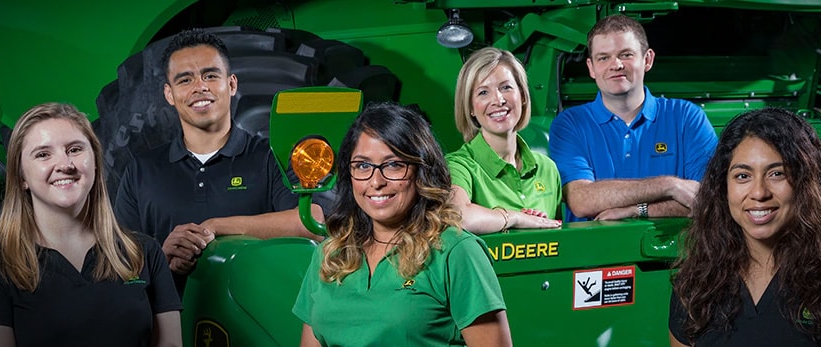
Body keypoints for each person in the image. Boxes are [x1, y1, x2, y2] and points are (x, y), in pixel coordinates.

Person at [668, 108, 821, 346]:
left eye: (777, 173)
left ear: (806, 182)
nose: (758, 192)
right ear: (723, 188)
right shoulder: (696, 286)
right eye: (742, 176)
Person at [0, 103, 181, 346]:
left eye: (74, 149)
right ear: (21, 177)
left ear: (95, 162)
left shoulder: (144, 253)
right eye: (43, 154)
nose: (65, 164)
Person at [112, 28, 322, 287]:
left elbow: (311, 222)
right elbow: (119, 263)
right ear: (169, 94)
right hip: (171, 321)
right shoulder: (141, 171)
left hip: (256, 319)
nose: (199, 87)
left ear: (231, 84)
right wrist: (162, 260)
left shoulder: (271, 157)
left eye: (210, 75)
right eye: (185, 80)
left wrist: (216, 227)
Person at [293, 102, 512, 347]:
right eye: (363, 165)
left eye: (394, 165)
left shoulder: (456, 252)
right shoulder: (330, 254)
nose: (376, 181)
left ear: (422, 170)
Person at [548, 15, 718, 221]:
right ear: (591, 68)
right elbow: (582, 200)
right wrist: (670, 186)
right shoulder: (570, 124)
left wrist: (637, 210)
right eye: (603, 58)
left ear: (647, 59)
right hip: (595, 251)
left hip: (677, 250)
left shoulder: (687, 118)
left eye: (626, 54)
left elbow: (711, 201)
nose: (616, 64)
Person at [446, 47, 564, 234]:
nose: (498, 100)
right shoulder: (458, 166)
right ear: (470, 107)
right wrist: (515, 217)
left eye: (506, 87)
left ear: (523, 96)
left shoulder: (547, 169)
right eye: (483, 92)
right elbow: (457, 216)